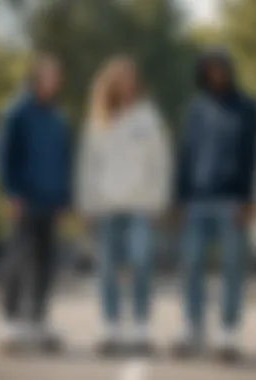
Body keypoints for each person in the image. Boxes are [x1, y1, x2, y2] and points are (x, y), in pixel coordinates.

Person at [76, 57, 172, 355]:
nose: (127, 84)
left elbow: (162, 162)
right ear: (111, 83)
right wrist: (86, 203)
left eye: (131, 78)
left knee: (142, 264)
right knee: (107, 270)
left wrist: (159, 201)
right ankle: (111, 329)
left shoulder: (149, 117)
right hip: (106, 207)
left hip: (141, 207)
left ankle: (141, 329)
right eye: (120, 78)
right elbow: (87, 165)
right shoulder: (98, 118)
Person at [173, 49, 256, 359]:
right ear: (203, 73)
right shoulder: (196, 109)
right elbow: (186, 154)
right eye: (210, 70)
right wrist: (179, 199)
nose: (216, 75)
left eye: (220, 69)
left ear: (229, 70)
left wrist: (249, 199)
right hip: (197, 200)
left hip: (232, 201)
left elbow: (254, 157)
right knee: (192, 265)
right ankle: (193, 328)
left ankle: (228, 333)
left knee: (233, 268)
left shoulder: (249, 108)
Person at [0, 53, 72, 351]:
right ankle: (11, 320)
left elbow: (64, 159)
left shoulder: (57, 117)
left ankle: (38, 319)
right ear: (37, 77)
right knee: (18, 259)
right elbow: (4, 154)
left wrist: (65, 197)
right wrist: (11, 191)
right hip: (24, 200)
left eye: (58, 77)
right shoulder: (17, 112)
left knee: (46, 262)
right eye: (51, 75)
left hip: (51, 201)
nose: (55, 81)